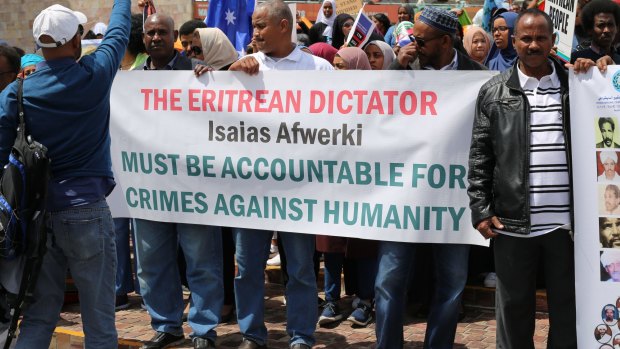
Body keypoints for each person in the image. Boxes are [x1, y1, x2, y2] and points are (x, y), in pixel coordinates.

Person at [0, 1, 130, 348]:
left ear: (39, 46)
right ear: (75, 42)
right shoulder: (95, 75)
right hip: (87, 211)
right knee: (99, 322)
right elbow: (118, 32)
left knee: (40, 315)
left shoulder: (19, 91)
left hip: (37, 217)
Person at [375, 7, 485, 349]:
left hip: (450, 199)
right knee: (388, 279)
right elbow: (377, 115)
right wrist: (396, 69)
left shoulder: (477, 77)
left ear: (445, 41)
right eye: (412, 39)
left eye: (421, 40)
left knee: (451, 282)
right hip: (403, 195)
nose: (414, 44)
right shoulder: (405, 70)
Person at [468, 8, 577, 349]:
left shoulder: (575, 86)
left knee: (568, 310)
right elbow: (479, 156)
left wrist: (597, 68)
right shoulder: (493, 91)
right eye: (526, 38)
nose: (533, 44)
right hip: (513, 223)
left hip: (569, 227)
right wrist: (481, 209)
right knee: (514, 310)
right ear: (514, 42)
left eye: (540, 37)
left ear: (552, 41)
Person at [229, 1, 332, 347]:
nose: (254, 33)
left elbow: (334, 124)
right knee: (246, 266)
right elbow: (216, 116)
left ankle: (301, 333)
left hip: (297, 187)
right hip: (251, 187)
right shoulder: (243, 68)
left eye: (260, 26)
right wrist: (220, 75)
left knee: (301, 267)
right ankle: (251, 333)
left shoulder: (317, 70)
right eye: (253, 27)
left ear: (284, 26)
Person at [134, 13, 223, 349]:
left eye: (162, 32)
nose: (156, 37)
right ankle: (167, 325)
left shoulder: (196, 72)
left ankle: (203, 330)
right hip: (149, 188)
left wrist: (210, 78)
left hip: (193, 187)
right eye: (150, 32)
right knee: (152, 263)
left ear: (173, 36)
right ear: (144, 38)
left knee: (201, 261)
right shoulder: (131, 80)